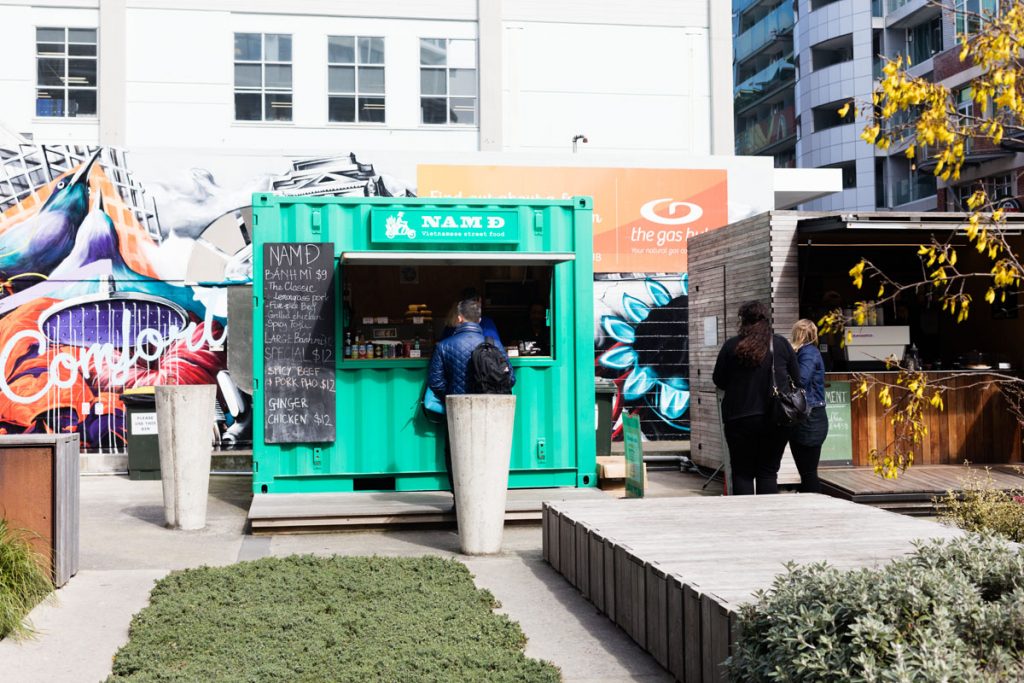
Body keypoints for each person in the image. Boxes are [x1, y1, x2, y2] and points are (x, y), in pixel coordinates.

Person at [712, 301, 801, 495]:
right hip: (775, 418)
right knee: (768, 472)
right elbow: (798, 378)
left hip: (739, 418)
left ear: (742, 321)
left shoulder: (731, 346)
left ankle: (744, 519)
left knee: (742, 472)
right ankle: (766, 518)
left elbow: (718, 380)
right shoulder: (780, 344)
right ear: (766, 320)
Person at [428, 297, 514, 497]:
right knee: (488, 455)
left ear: (459, 318)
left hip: (457, 412)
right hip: (489, 412)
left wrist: (451, 397)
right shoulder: (494, 345)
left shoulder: (444, 346)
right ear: (479, 319)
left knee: (456, 456)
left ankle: (460, 502)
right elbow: (510, 379)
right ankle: (487, 500)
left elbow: (436, 382)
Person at [789, 319, 829, 493]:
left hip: (810, 417)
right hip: (809, 416)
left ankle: (815, 504)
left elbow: (802, 379)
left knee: (808, 472)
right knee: (806, 472)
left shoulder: (808, 353)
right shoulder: (806, 352)